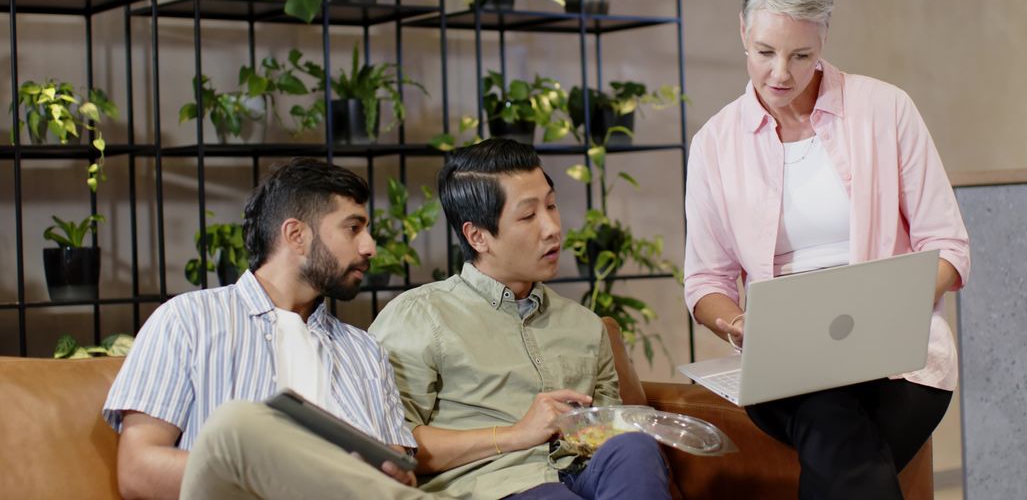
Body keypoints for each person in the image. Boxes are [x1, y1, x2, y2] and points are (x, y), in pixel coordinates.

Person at [683, 0, 971, 499]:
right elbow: (705, 284)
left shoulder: (886, 109)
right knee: (829, 417)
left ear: (824, 39)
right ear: (742, 32)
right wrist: (743, 324)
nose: (781, 74)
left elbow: (949, 247)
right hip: (786, 365)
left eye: (801, 56)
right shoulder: (715, 144)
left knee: (840, 453)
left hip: (901, 359)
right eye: (765, 52)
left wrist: (891, 304)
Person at [102, 157, 433, 500]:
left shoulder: (366, 351)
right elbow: (138, 472)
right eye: (353, 228)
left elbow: (395, 475)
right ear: (296, 235)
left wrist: (396, 478)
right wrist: (296, 477)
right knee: (237, 424)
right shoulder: (187, 320)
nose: (370, 247)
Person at [369, 138, 671, 500]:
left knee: (634, 450)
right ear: (478, 236)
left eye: (552, 206)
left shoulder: (584, 325)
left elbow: (607, 431)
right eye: (528, 216)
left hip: (580, 475)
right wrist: (515, 434)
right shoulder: (420, 316)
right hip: (493, 486)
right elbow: (393, 446)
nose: (552, 228)